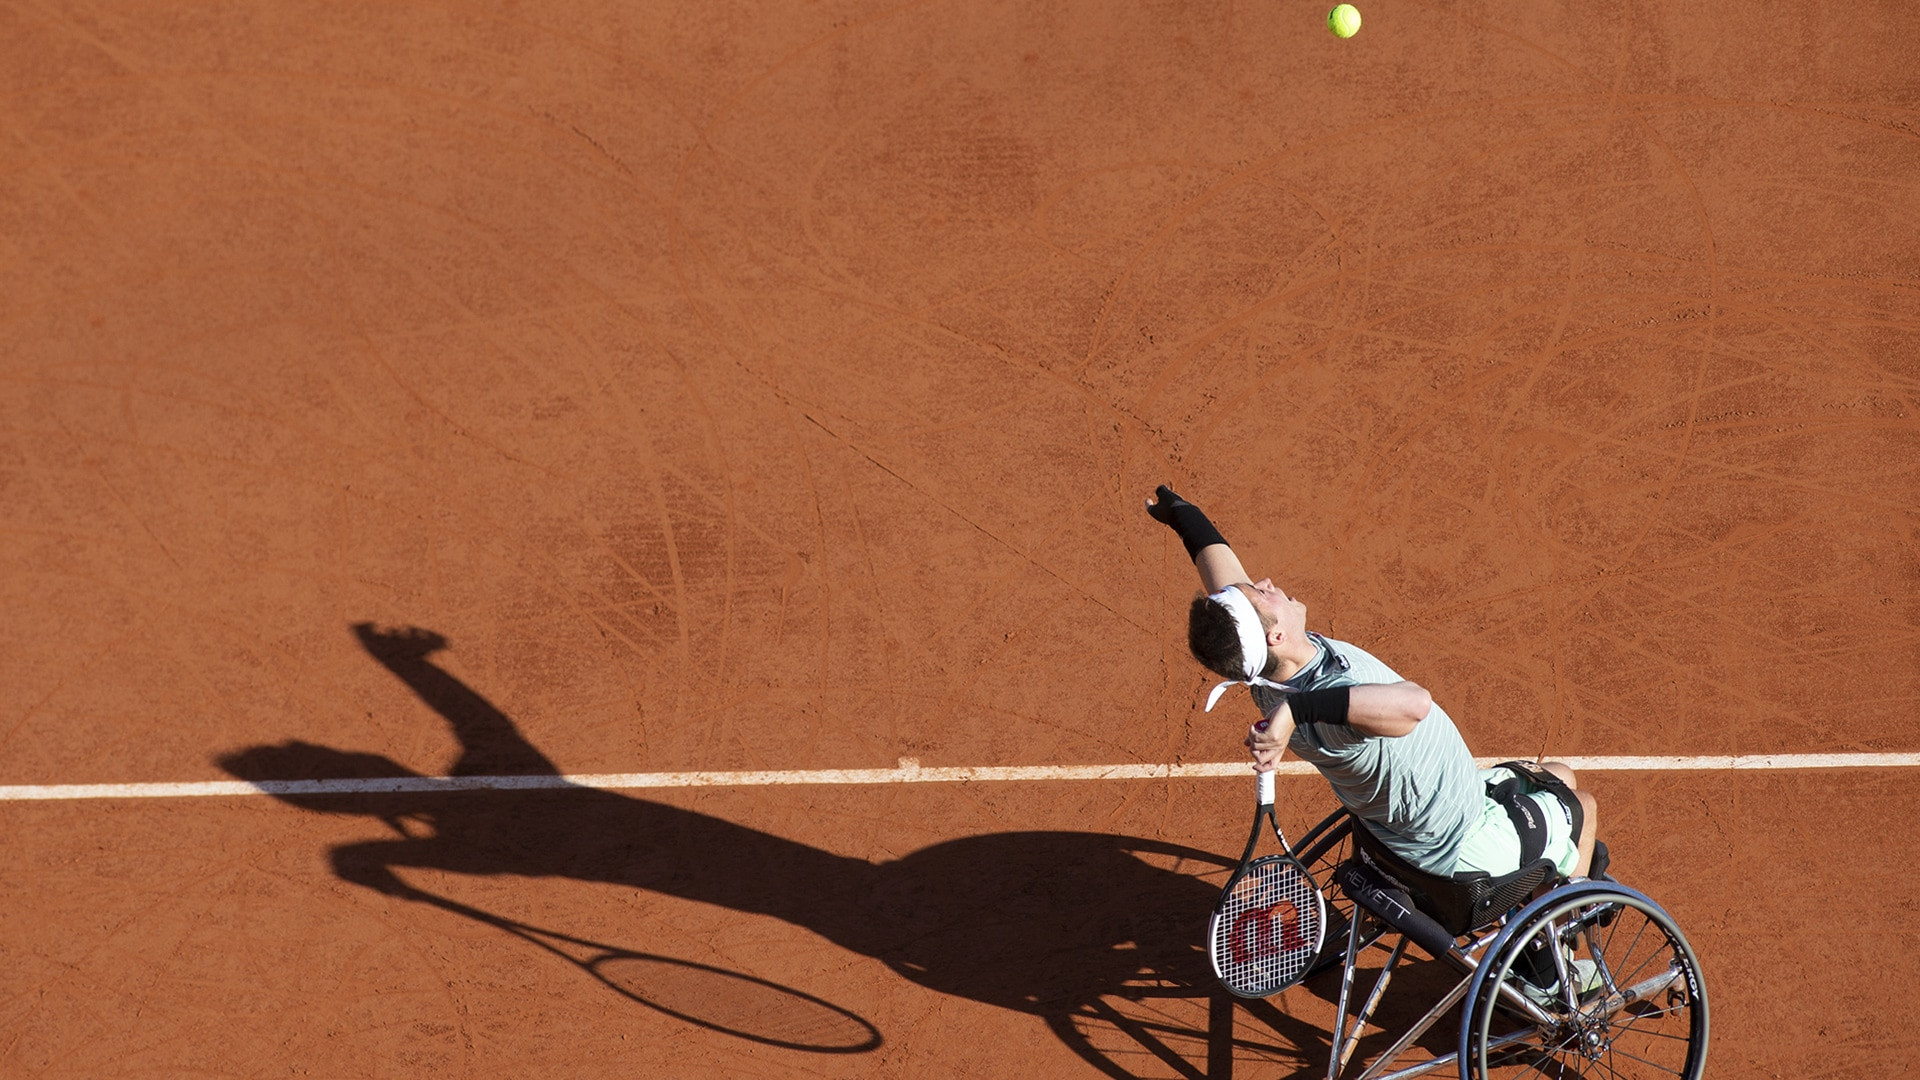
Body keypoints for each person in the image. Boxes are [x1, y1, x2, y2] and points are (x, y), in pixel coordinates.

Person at [1144, 484, 1599, 886]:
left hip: (1430, 816)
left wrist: (1184, 515)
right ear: (1275, 635)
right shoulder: (1330, 714)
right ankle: (1557, 961)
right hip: (1464, 840)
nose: (1265, 582)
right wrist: (1296, 711)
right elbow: (1415, 704)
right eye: (1263, 594)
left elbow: (1225, 581)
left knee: (1559, 774)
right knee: (1582, 804)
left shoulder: (1264, 670)